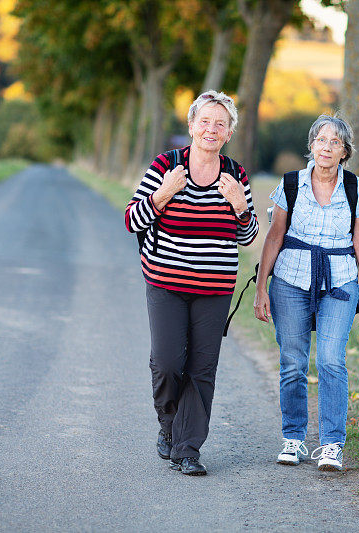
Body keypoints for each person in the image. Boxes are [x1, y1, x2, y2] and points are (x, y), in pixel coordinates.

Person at [125, 91, 258, 476]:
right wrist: (163, 194)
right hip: (165, 281)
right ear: (191, 126)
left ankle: (187, 449)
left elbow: (248, 238)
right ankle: (169, 427)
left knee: (202, 368)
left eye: (220, 123)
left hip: (214, 290)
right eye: (205, 121)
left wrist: (240, 206)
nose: (211, 129)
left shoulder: (236, 176)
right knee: (167, 363)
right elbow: (133, 220)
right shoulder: (165, 166)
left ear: (229, 132)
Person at [253, 114, 359, 471]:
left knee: (330, 361)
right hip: (290, 282)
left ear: (344, 152)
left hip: (338, 284)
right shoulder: (291, 184)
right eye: (321, 140)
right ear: (311, 146)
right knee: (293, 363)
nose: (327, 147)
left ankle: (331, 445)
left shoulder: (357, 188)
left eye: (335, 142)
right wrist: (261, 287)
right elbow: (274, 237)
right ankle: (293, 438)